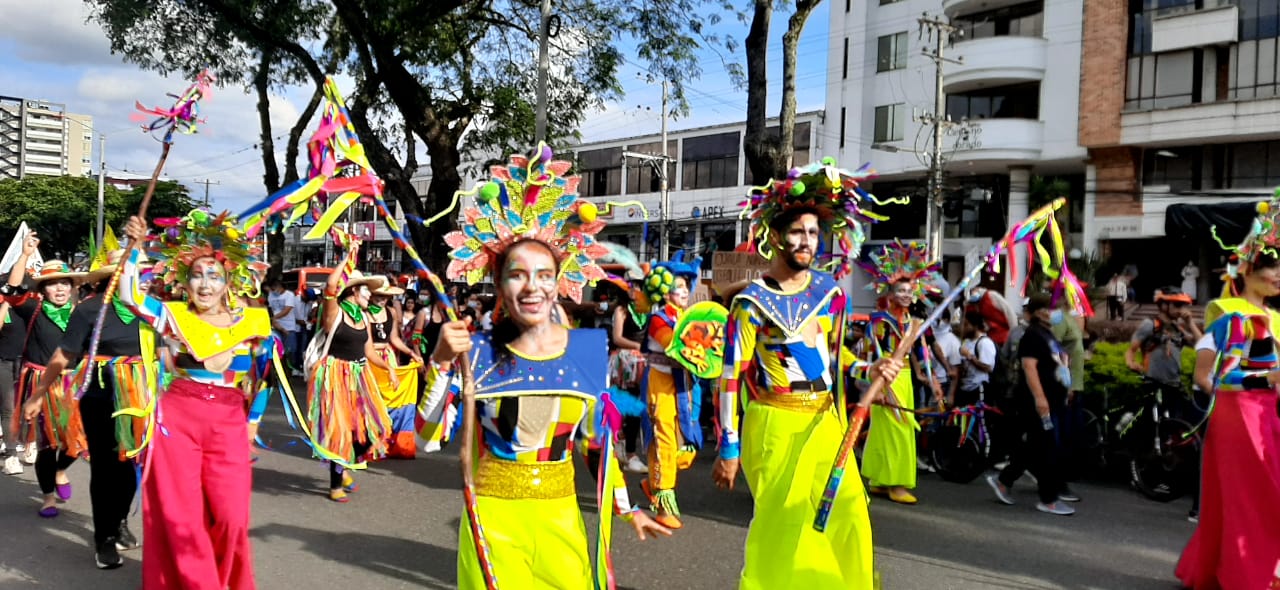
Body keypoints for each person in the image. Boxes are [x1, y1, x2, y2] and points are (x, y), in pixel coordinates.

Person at [420, 147, 669, 588]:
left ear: (559, 281)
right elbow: (426, 435)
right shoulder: (474, 352)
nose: (532, 286)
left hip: (560, 520)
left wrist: (626, 508)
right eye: (517, 274)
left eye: (544, 274)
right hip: (492, 522)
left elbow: (598, 446)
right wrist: (440, 363)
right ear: (499, 283)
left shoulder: (588, 351)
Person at [713, 159, 903, 589]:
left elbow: (836, 358)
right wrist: (728, 443)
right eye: (798, 232)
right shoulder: (751, 302)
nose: (807, 241)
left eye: (814, 233)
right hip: (774, 425)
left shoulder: (830, 294)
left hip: (826, 421)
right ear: (776, 236)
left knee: (850, 512)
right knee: (786, 526)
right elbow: (730, 376)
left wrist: (869, 367)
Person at [119, 210, 285, 589]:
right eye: (197, 275)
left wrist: (253, 422)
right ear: (185, 281)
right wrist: (135, 246)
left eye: (214, 276)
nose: (205, 284)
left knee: (231, 518)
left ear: (229, 282)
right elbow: (129, 294)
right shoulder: (172, 316)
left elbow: (265, 378)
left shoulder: (253, 322)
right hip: (178, 417)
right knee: (183, 517)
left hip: (228, 420)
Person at [1175, 200, 1280, 590]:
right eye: (1271, 267)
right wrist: (1265, 379)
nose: (1279, 275)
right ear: (1247, 269)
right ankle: (1253, 572)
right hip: (1240, 420)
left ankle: (1256, 567)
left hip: (1270, 417)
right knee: (1256, 498)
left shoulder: (1277, 320)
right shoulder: (1230, 314)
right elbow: (1211, 377)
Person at [27, 250, 149, 568]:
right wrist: (38, 393)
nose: (140, 278)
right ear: (113, 277)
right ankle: (103, 538)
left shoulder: (150, 312)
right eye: (132, 272)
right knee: (106, 469)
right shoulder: (89, 310)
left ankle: (120, 520)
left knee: (130, 468)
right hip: (99, 398)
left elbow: (166, 356)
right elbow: (64, 355)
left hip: (139, 401)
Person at [6, 237, 87, 519]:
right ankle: (48, 496)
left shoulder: (83, 313)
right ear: (43, 289)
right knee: (47, 444)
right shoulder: (33, 309)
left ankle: (61, 470)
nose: (60, 288)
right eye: (53, 283)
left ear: (72, 286)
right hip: (40, 385)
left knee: (77, 442)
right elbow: (12, 290)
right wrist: (25, 255)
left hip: (74, 383)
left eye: (65, 282)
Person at [860, 240, 943, 505]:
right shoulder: (880, 321)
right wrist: (882, 387)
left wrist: (931, 381)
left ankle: (881, 480)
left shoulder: (913, 323)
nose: (906, 295)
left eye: (909, 290)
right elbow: (873, 353)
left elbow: (922, 356)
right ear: (891, 293)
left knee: (899, 430)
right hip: (887, 377)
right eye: (901, 290)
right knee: (895, 430)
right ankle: (894, 484)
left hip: (906, 379)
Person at [309, 249, 392, 502]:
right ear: (354, 292)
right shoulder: (335, 313)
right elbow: (331, 285)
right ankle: (336, 485)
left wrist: (389, 368)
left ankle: (342, 466)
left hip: (359, 375)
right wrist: (347, 255)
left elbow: (367, 351)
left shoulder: (363, 317)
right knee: (340, 432)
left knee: (372, 429)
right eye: (365, 290)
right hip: (334, 377)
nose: (370, 294)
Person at [986, 292, 1076, 516]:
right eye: (1049, 308)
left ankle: (1004, 480)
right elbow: (1029, 367)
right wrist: (1040, 398)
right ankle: (1049, 498)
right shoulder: (1032, 335)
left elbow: (1056, 363)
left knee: (1034, 446)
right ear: (1038, 312)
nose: (1053, 312)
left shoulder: (1048, 335)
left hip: (1052, 401)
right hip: (1037, 403)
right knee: (1047, 448)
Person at [639, 251, 703, 530]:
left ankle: (653, 482)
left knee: (686, 444)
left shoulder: (690, 317)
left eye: (687, 287)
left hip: (685, 384)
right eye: (679, 287)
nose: (685, 292)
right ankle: (664, 504)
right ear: (665, 293)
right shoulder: (658, 320)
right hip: (660, 384)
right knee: (664, 439)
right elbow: (673, 346)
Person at [367, 280, 422, 459]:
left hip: (387, 356)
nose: (383, 299)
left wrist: (410, 353)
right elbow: (366, 345)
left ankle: (391, 440)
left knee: (392, 397)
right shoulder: (364, 313)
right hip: (370, 359)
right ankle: (371, 442)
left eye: (386, 296)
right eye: (380, 296)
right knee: (372, 399)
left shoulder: (390, 312)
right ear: (372, 295)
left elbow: (395, 339)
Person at [607, 276, 648, 474]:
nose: (635, 290)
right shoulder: (621, 310)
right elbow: (617, 337)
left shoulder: (645, 311)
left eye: (639, 287)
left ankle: (630, 452)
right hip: (626, 363)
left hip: (642, 362)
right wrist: (638, 346)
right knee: (623, 406)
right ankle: (622, 449)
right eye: (631, 287)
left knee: (637, 408)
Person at [1126, 287, 1200, 392]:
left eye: (1183, 306)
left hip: (1174, 385)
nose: (1181, 310)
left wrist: (1190, 322)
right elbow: (1131, 350)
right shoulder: (1150, 325)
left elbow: (1202, 345)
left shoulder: (1178, 329)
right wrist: (1131, 363)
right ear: (1164, 305)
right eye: (1178, 305)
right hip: (1153, 385)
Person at [955, 311, 997, 408]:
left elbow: (988, 367)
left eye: (966, 325)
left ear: (975, 326)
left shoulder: (984, 342)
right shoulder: (966, 342)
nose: (963, 328)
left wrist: (969, 356)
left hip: (978, 389)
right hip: (965, 389)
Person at [266, 278, 301, 376]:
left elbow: (287, 310)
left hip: (288, 327)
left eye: (274, 288)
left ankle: (289, 370)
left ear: (280, 287)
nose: (273, 291)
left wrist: (273, 317)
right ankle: (278, 371)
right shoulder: (271, 296)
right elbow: (270, 308)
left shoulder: (289, 295)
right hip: (275, 327)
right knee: (276, 349)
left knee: (290, 350)